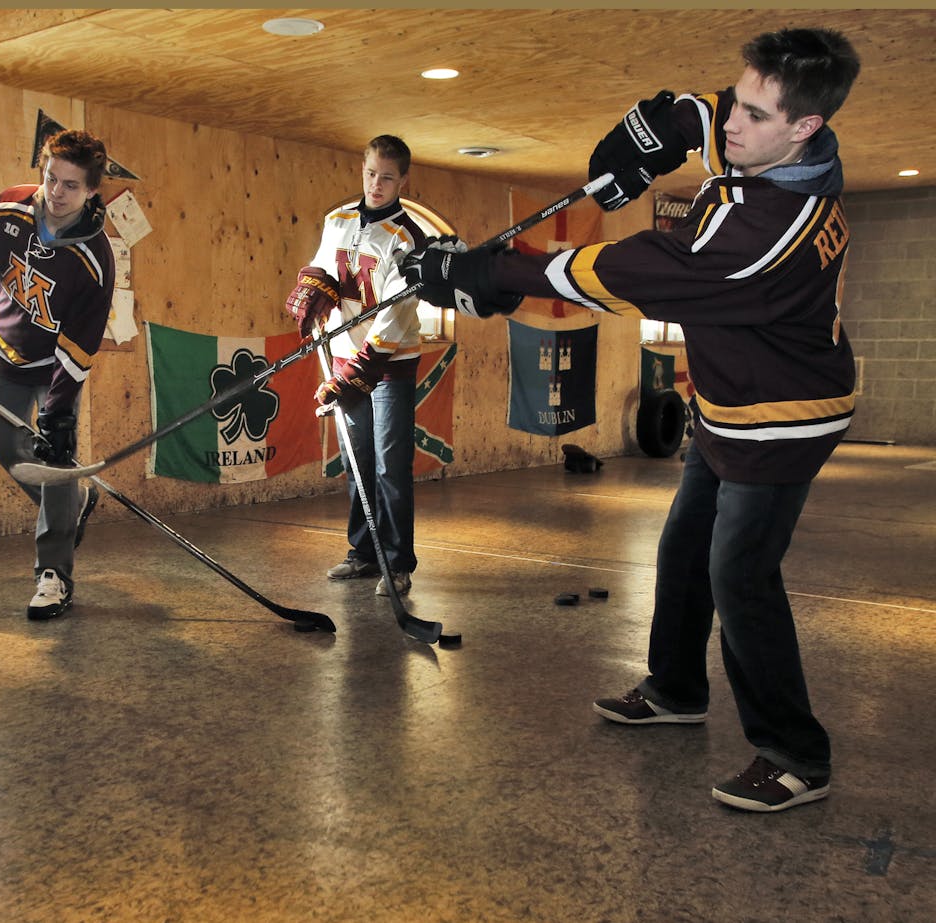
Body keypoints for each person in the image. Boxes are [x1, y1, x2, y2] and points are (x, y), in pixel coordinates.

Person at [404, 28, 860, 812]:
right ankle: (678, 688)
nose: (732, 122)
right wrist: (655, 133)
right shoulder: (770, 144)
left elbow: (629, 273)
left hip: (783, 414)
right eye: (738, 101)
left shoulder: (768, 234)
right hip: (725, 399)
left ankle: (796, 753)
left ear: (803, 127)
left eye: (752, 113)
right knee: (685, 546)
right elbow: (702, 111)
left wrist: (494, 273)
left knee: (739, 572)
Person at [0, 128, 115, 621]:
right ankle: (75, 503)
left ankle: (53, 575)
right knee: (8, 450)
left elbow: (78, 346)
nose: (55, 193)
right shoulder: (9, 210)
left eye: (71, 185)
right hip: (3, 355)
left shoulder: (95, 260)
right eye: (51, 178)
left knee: (53, 464)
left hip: (55, 368)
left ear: (92, 190)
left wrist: (57, 413)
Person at [286, 135, 428, 598]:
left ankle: (398, 561)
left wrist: (352, 374)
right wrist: (315, 290)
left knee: (390, 465)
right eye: (371, 173)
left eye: (387, 177)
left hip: (389, 365)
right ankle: (363, 554)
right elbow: (324, 265)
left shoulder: (410, 239)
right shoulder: (337, 220)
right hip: (346, 354)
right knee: (355, 459)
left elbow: (394, 315)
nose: (377, 184)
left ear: (403, 179)